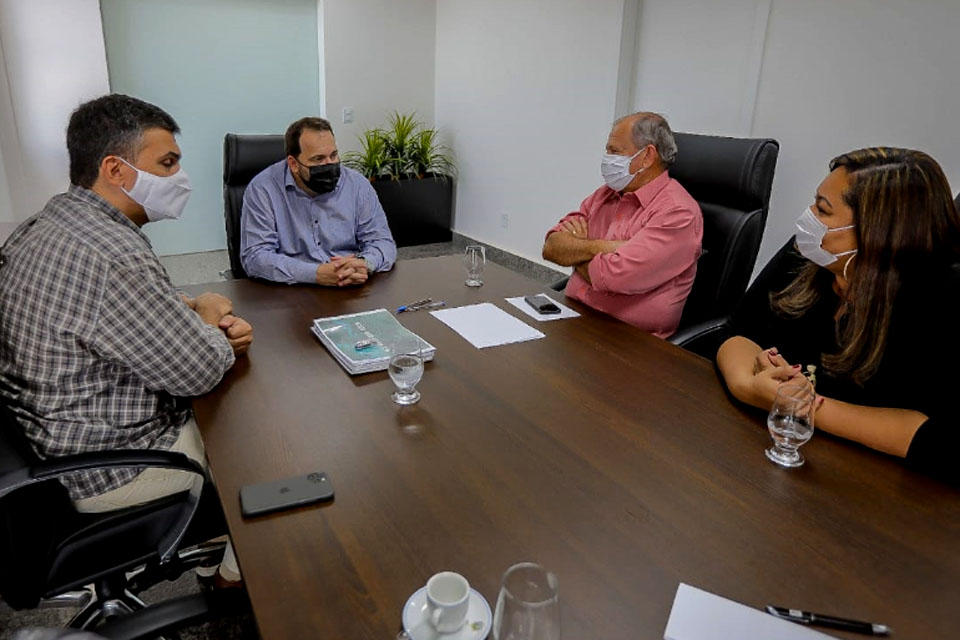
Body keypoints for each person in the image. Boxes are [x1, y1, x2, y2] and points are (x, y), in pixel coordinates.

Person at [0, 94, 253, 584]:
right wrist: (210, 318)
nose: (180, 178)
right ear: (115, 170)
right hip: (107, 466)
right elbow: (198, 370)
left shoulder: (49, 222)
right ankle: (235, 577)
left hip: (46, 443)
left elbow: (110, 309)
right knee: (260, 444)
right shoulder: (112, 251)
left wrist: (188, 310)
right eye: (167, 163)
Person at [717, 147, 960, 482]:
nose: (809, 219)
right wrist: (748, 385)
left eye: (823, 210)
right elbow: (737, 331)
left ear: (877, 234)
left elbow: (939, 441)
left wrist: (799, 405)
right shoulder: (806, 254)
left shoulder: (942, 299)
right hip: (772, 459)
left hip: (875, 491)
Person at [541, 112, 702, 338]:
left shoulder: (678, 213)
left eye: (615, 151)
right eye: (607, 150)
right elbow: (552, 247)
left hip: (629, 342)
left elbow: (614, 277)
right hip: (575, 319)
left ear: (647, 156)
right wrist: (605, 247)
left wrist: (577, 251)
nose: (607, 158)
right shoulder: (606, 194)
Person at [240, 116, 397, 286]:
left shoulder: (357, 185)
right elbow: (255, 257)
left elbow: (382, 241)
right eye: (318, 159)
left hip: (351, 284)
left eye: (334, 155)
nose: (329, 164)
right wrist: (315, 274)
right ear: (293, 163)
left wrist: (364, 264)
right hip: (293, 290)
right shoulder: (263, 189)